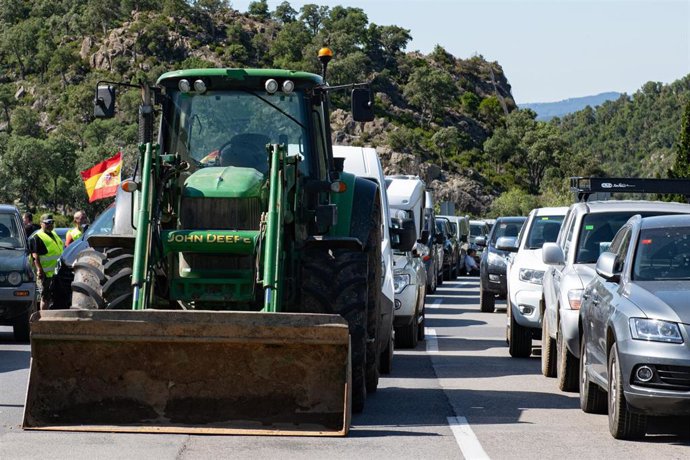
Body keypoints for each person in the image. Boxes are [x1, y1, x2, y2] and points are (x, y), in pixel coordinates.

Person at [28, 214, 64, 310]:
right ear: (41, 224)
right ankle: (43, 318)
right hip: (45, 274)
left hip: (57, 273)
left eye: (52, 222)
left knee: (55, 297)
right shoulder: (37, 237)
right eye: (47, 223)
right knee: (45, 297)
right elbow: (35, 256)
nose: (50, 224)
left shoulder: (54, 234)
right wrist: (39, 270)